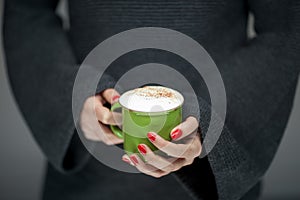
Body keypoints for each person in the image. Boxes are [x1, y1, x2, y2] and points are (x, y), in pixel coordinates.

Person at [3, 0, 300, 199]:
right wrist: (74, 98)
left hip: (215, 177)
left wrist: (211, 123)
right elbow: (27, 10)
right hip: (84, 181)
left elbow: (285, 26)